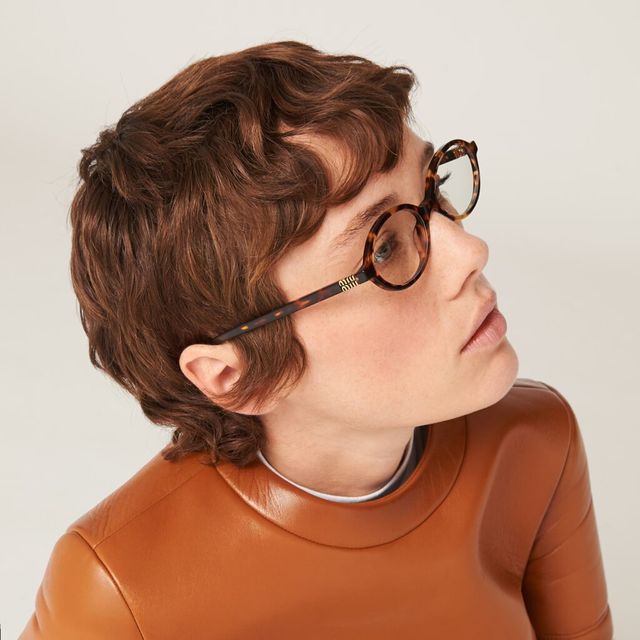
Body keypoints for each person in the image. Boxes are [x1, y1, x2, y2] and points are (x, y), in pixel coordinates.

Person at [19, 40, 613, 639]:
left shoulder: (534, 447)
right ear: (235, 376)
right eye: (384, 247)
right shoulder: (117, 590)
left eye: (433, 188)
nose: (470, 251)